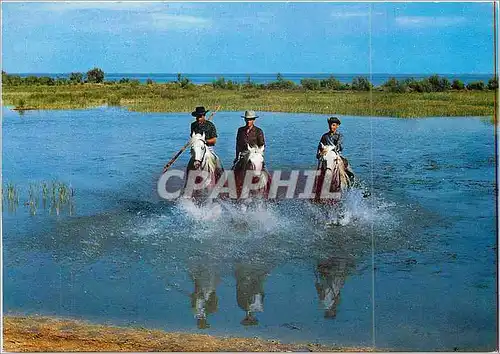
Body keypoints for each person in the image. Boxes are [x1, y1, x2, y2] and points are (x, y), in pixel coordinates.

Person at [316, 116, 355, 182]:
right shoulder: (324, 136)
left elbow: (339, 146)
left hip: (336, 155)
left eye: (333, 125)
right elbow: (319, 147)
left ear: (337, 126)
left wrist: (331, 149)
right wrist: (320, 153)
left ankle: (350, 178)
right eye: (330, 125)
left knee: (346, 164)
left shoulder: (340, 136)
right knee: (319, 170)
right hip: (325, 155)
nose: (331, 127)